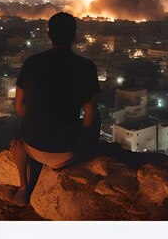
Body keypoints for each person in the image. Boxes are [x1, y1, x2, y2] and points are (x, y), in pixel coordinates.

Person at [9, 12, 101, 206]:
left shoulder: (31, 64)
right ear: (75, 36)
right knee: (96, 111)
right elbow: (90, 119)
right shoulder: (86, 67)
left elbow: (19, 108)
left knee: (18, 136)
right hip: (68, 153)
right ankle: (93, 154)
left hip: (32, 148)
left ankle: (23, 189)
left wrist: (40, 117)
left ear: (49, 35)